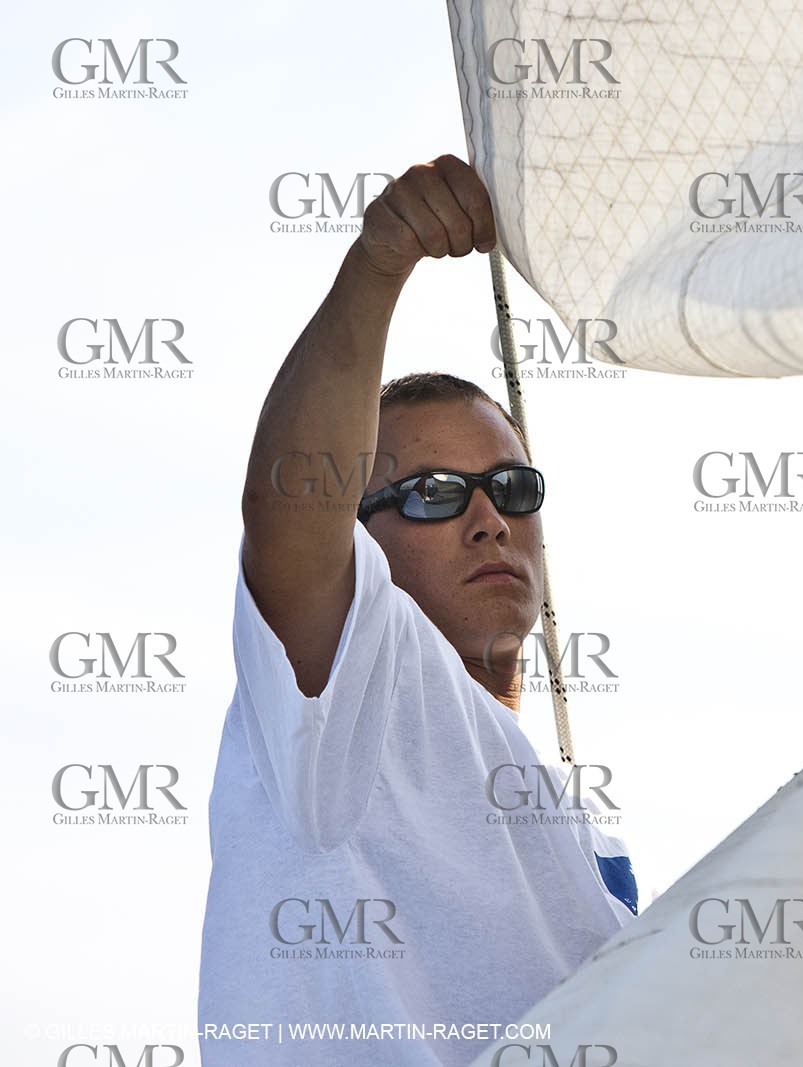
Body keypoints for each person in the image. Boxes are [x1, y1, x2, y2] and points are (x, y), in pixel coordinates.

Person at [198, 154, 635, 1066]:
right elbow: (292, 510)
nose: (487, 519)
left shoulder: (584, 841)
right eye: (434, 494)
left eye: (510, 487)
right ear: (362, 541)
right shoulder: (353, 694)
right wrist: (380, 262)